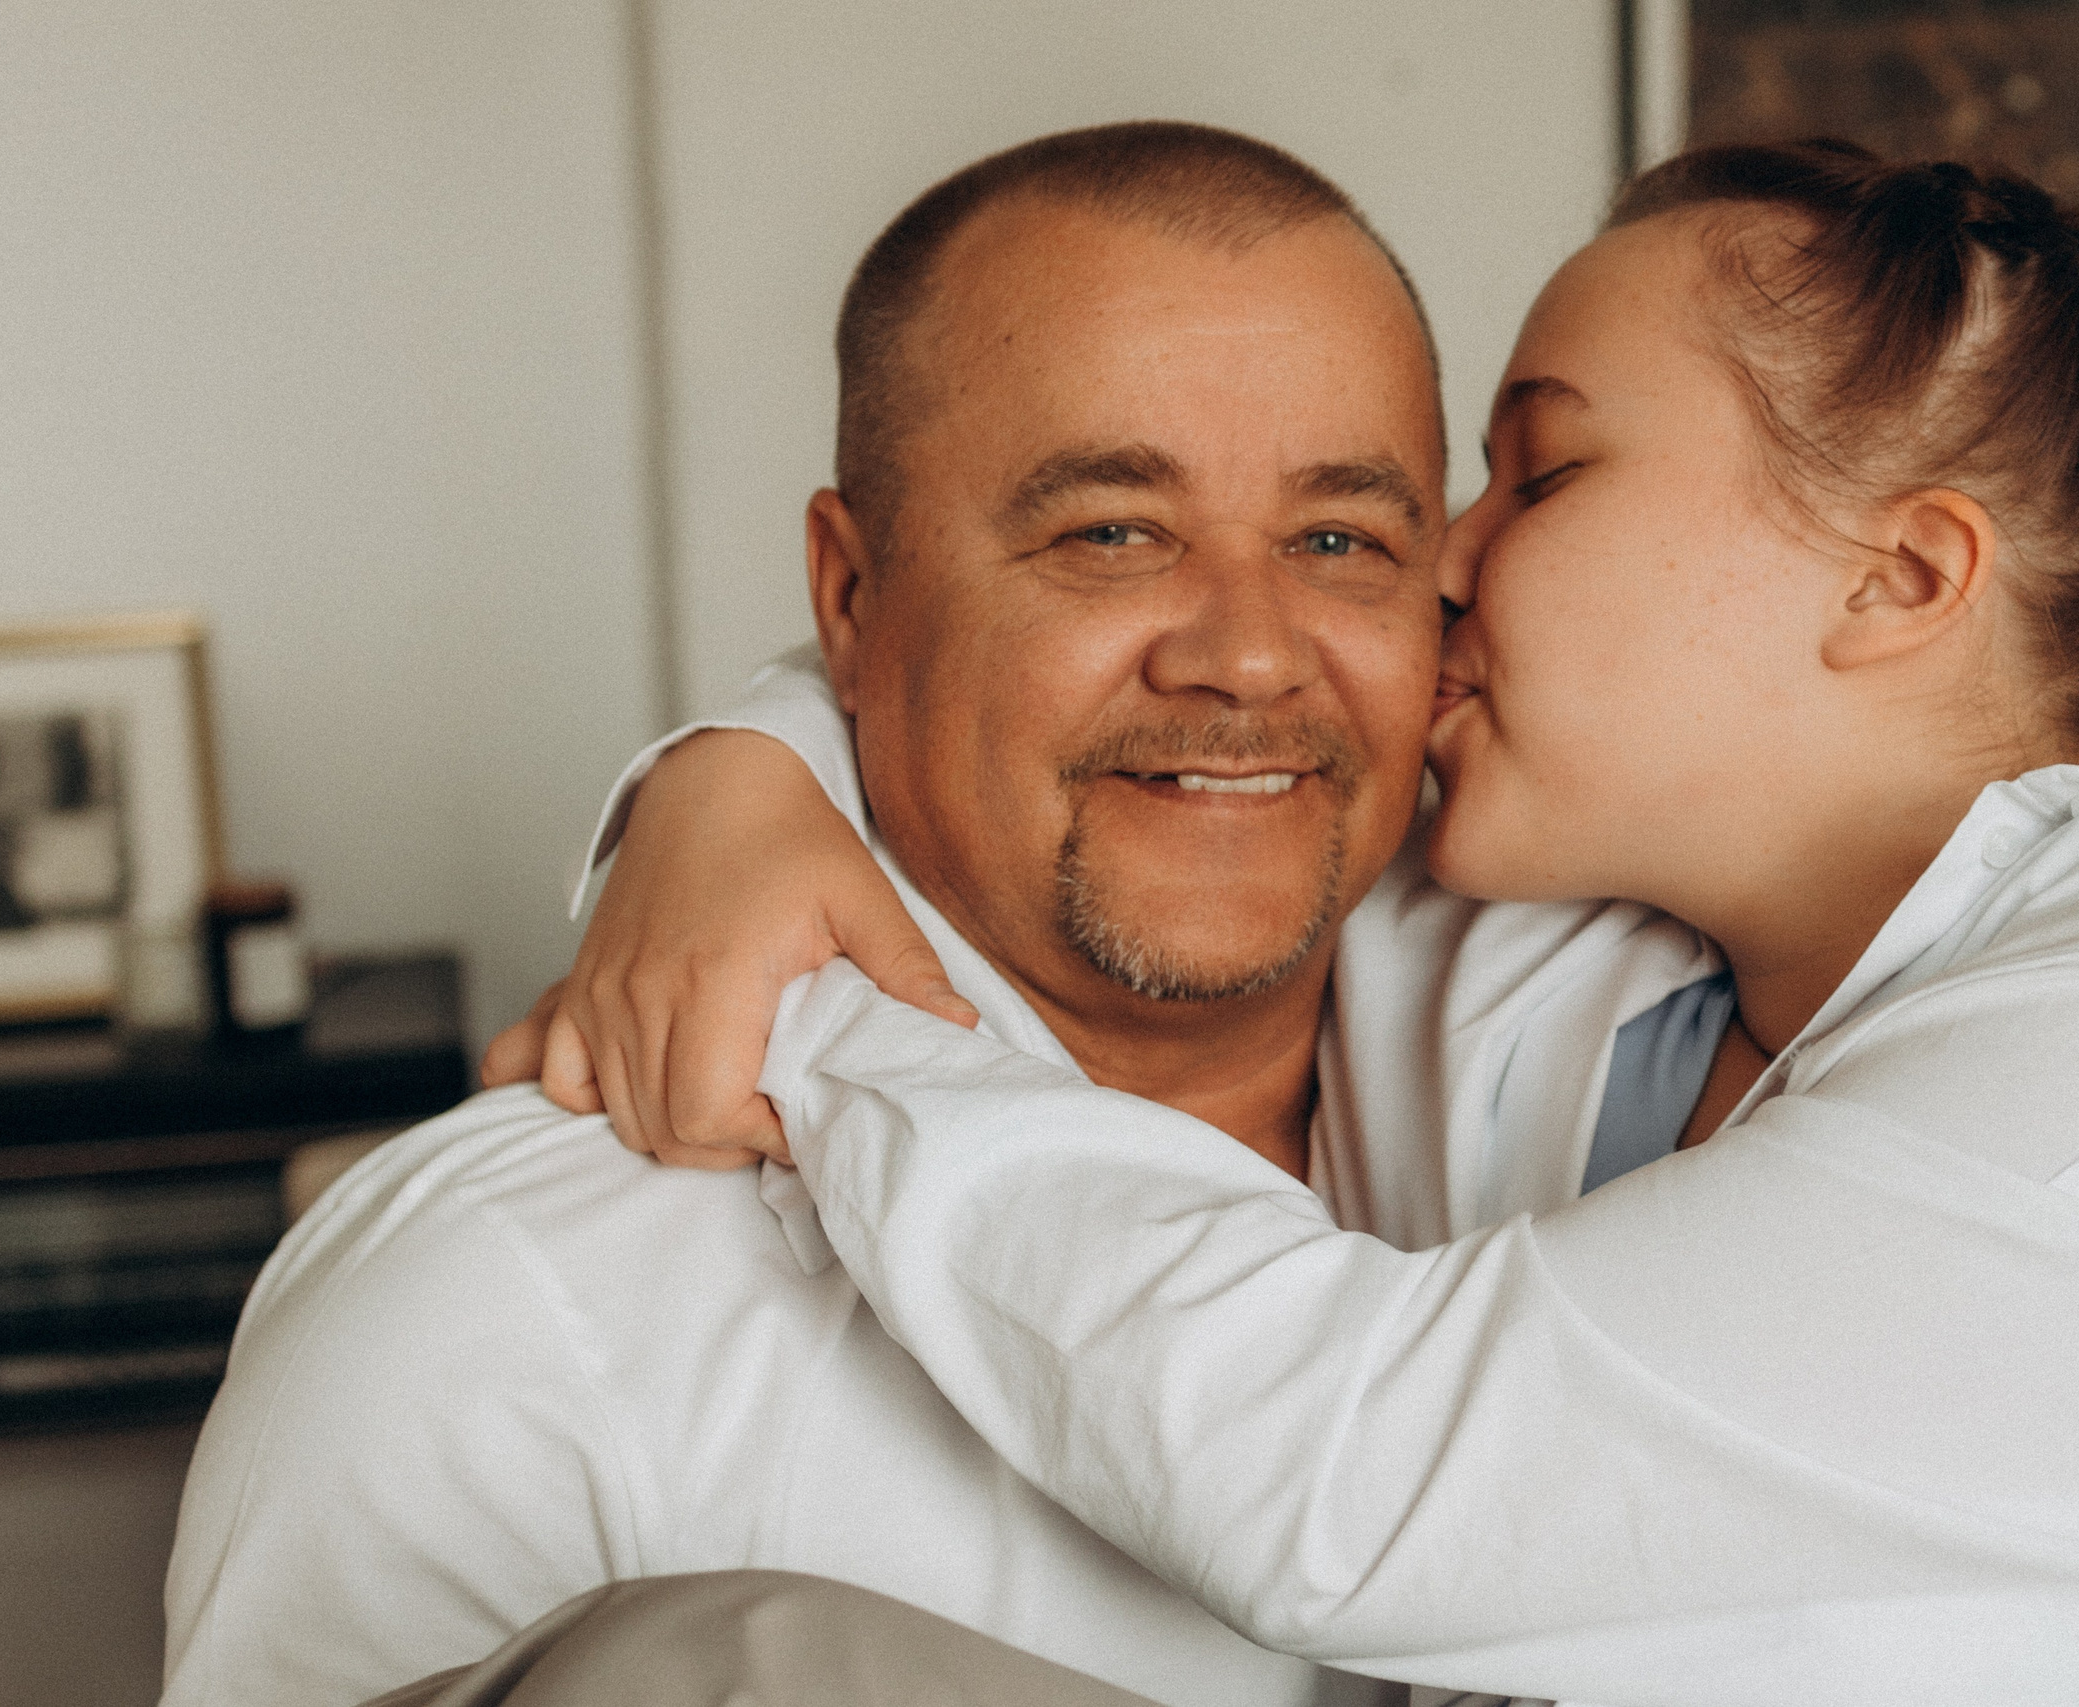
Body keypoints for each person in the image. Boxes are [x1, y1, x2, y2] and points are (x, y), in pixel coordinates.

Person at [533, 143, 2079, 1702]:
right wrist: (732, 781)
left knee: (699, 1674)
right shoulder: (1581, 952)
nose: (1438, 568)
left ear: (1897, 579)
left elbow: (1338, 1467)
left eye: (1539, 470)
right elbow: (1094, 706)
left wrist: (809, 993)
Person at [163, 121, 1719, 1707]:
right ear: (852, 598)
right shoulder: (498, 1313)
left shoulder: (1686, 1090)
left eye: (1340, 541)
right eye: (1112, 533)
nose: (1252, 656)